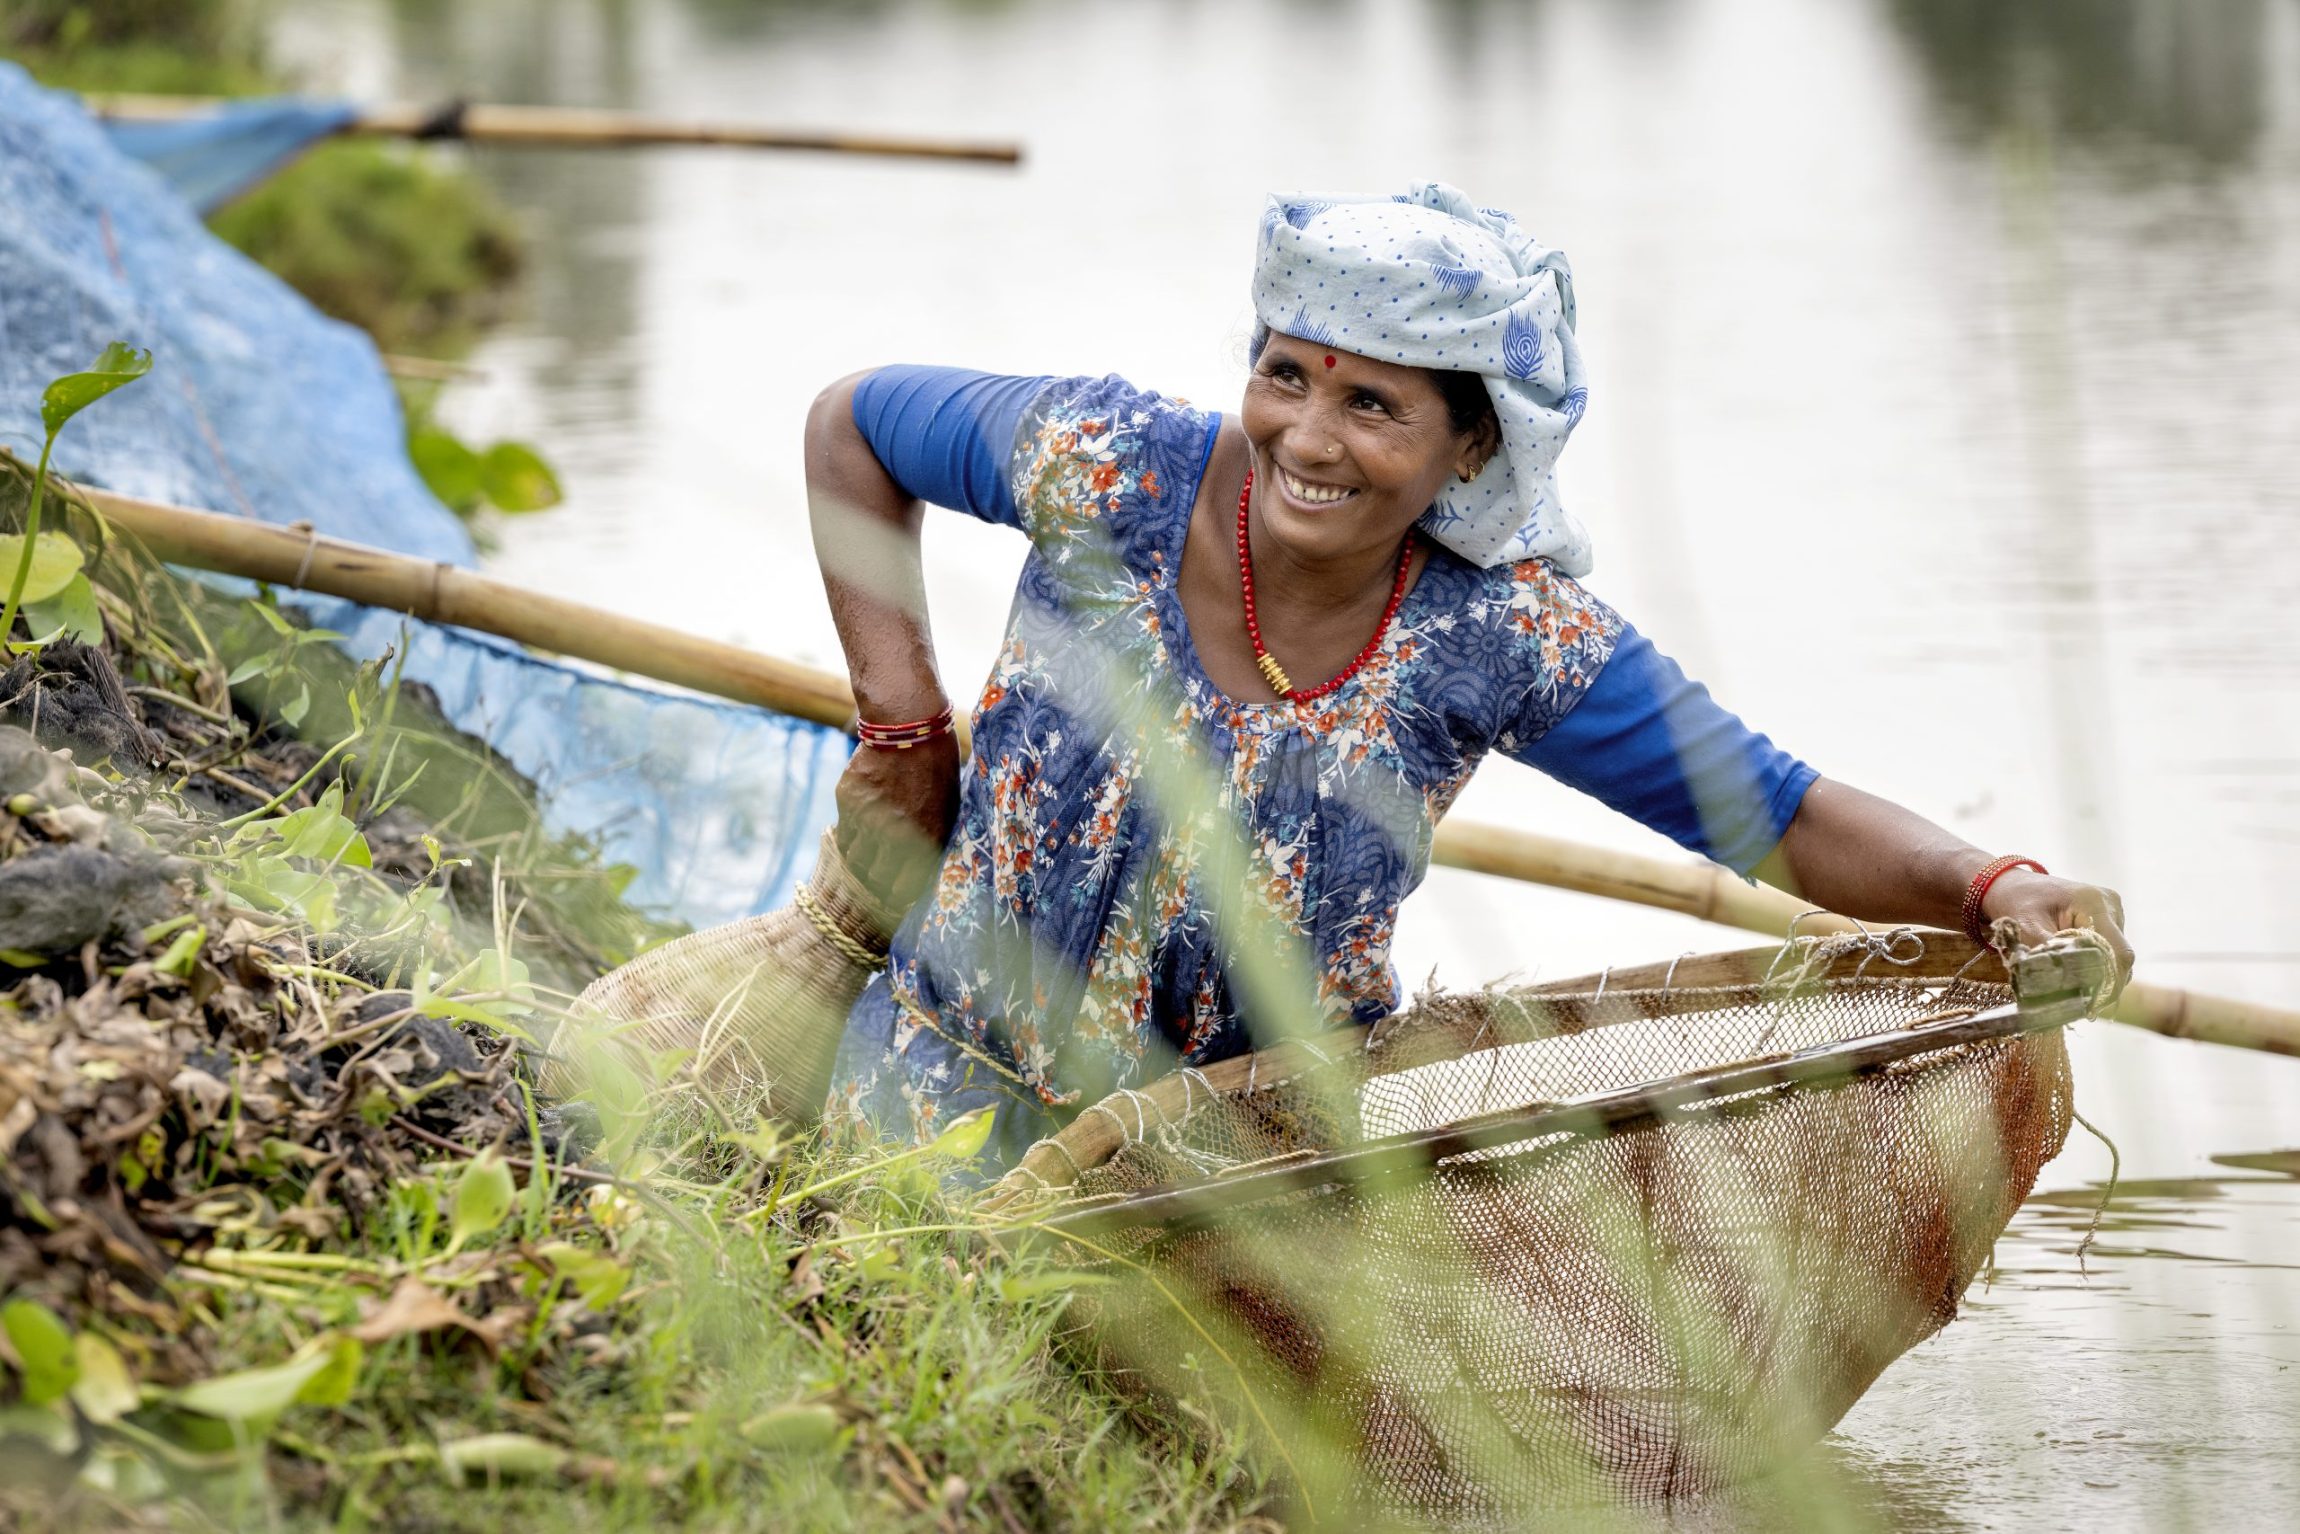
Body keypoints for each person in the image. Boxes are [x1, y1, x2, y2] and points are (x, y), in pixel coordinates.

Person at [801, 182, 2132, 1164]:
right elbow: (852, 427)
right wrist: (904, 731)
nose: (1306, 438)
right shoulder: (1102, 463)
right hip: (925, 1110)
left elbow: (1776, 811)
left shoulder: (1499, 634)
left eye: (1373, 404)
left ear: (1475, 452)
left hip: (1228, 1193)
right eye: (1286, 375)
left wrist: (1995, 884)